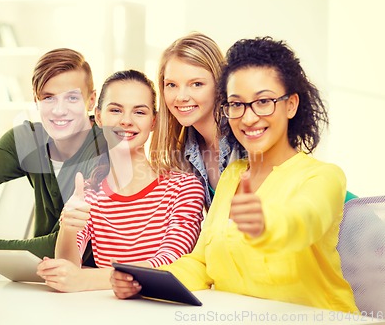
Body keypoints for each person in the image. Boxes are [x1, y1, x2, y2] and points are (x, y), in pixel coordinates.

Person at [111, 37, 358, 313]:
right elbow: (201, 263)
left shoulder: (325, 177)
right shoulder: (231, 176)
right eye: (237, 104)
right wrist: (142, 280)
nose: (249, 117)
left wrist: (266, 225)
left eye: (263, 101)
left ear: (291, 105)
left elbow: (304, 224)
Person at [36, 70, 205, 292]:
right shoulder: (88, 194)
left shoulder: (184, 187)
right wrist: (68, 228)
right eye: (115, 110)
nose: (126, 121)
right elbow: (68, 269)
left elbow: (171, 262)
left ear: (153, 121)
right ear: (98, 117)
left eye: (139, 112)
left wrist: (88, 279)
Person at [0, 48, 107, 265]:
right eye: (48, 98)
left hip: (94, 285)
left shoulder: (107, 151)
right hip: (43, 279)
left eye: (72, 98)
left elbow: (63, 247)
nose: (59, 110)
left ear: (91, 101)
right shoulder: (27, 139)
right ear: (36, 101)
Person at [150, 32, 245, 210]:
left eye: (196, 84)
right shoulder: (183, 152)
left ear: (219, 84)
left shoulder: (245, 137)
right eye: (171, 85)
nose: (181, 97)